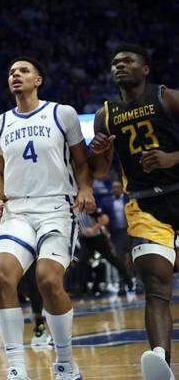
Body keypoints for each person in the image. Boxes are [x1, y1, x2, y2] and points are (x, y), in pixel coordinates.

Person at [0, 57, 94, 380]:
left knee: (48, 280)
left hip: (56, 207)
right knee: (4, 276)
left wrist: (85, 188)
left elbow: (82, 163)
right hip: (16, 209)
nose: (15, 74)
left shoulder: (63, 114)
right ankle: (17, 367)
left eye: (23, 71)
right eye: (11, 72)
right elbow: (0, 172)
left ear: (38, 80)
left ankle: (64, 363)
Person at [88, 43, 179, 380]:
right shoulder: (105, 115)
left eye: (128, 61)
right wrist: (102, 153)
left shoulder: (167, 97)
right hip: (143, 202)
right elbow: (99, 172)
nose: (120, 66)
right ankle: (160, 361)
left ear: (145, 69)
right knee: (155, 280)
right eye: (115, 63)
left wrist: (173, 157)